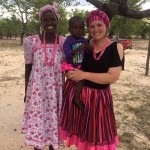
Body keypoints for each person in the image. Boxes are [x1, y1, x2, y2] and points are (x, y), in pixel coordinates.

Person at [59, 9, 124, 150]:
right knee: (83, 137)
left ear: (107, 25)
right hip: (78, 97)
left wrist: (83, 75)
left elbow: (112, 77)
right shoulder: (86, 44)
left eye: (99, 25)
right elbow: (75, 63)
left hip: (99, 99)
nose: (95, 29)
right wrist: (69, 73)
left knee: (97, 135)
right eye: (92, 26)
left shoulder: (115, 47)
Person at [21, 3, 65, 150]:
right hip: (37, 92)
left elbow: (69, 68)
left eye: (52, 19)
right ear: (41, 22)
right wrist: (26, 91)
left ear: (57, 20)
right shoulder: (31, 42)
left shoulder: (64, 42)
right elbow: (28, 67)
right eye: (45, 20)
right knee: (38, 125)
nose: (49, 23)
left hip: (57, 93)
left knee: (54, 126)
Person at [62, 16, 92, 110]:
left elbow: (86, 53)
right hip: (72, 66)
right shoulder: (68, 41)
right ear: (69, 29)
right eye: (75, 28)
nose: (78, 30)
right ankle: (76, 98)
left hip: (81, 65)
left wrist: (89, 49)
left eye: (80, 28)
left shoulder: (83, 40)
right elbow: (67, 54)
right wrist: (77, 50)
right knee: (81, 79)